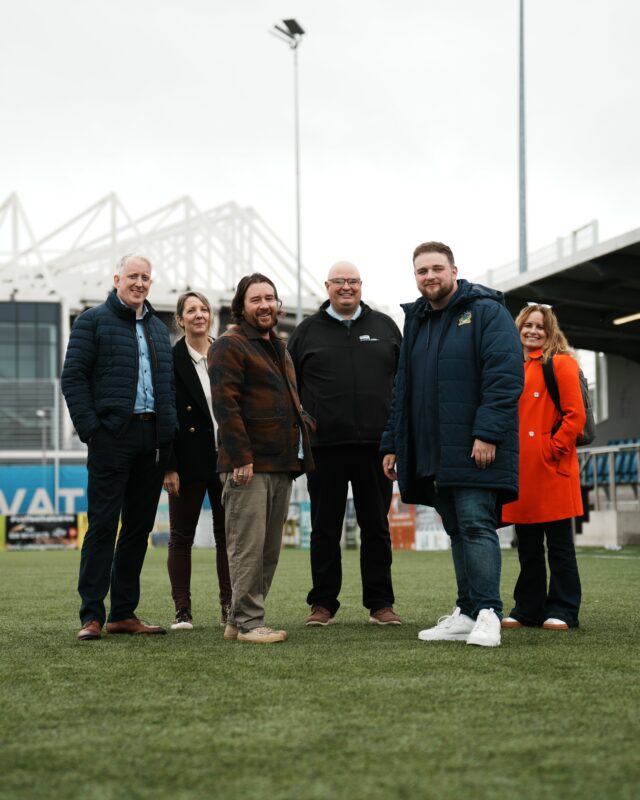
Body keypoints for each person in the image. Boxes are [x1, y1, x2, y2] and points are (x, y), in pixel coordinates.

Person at [380, 241, 523, 647]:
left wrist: (487, 433)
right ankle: (467, 611)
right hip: (432, 449)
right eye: (422, 271)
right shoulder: (417, 320)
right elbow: (402, 388)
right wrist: (392, 443)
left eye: (437, 269)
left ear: (454, 271)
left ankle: (489, 613)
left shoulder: (486, 311)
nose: (430, 276)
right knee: (457, 529)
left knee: (476, 524)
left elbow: (505, 375)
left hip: (474, 444)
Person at [61, 253, 176, 640]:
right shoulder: (92, 321)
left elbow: (167, 389)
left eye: (146, 277)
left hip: (152, 440)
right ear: (117, 279)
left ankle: (123, 613)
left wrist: (168, 437)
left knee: (138, 529)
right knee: (103, 526)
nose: (139, 283)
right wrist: (93, 431)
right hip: (112, 438)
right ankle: (91, 615)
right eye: (133, 276)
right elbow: (73, 378)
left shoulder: (159, 327)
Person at [287, 261, 403, 627]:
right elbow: (290, 390)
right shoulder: (306, 332)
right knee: (324, 529)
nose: (346, 287)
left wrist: (396, 440)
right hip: (324, 448)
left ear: (361, 285)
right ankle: (322, 604)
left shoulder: (385, 327)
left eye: (352, 281)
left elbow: (403, 386)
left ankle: (380, 603)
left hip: (376, 448)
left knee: (376, 528)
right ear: (327, 286)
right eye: (339, 281)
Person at [209, 273, 314, 644]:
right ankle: (250, 623)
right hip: (247, 465)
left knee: (267, 552)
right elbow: (225, 405)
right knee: (247, 549)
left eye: (270, 298)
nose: (265, 305)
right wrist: (241, 457)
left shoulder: (278, 346)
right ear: (241, 306)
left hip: (280, 463)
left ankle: (238, 621)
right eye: (256, 299)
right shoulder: (229, 344)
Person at [501, 304, 585, 630]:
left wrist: (551, 449)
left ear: (551, 332)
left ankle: (564, 609)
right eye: (528, 325)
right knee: (528, 546)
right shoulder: (510, 367)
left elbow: (575, 416)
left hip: (552, 468)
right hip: (521, 469)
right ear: (518, 329)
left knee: (560, 545)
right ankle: (528, 608)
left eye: (541, 327)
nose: (533, 331)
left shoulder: (561, 363)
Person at [163, 291, 232, 631]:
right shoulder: (170, 360)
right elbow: (165, 414)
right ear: (180, 319)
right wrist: (169, 465)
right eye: (191, 310)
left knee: (228, 538)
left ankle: (229, 607)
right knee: (181, 537)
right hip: (188, 461)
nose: (199, 314)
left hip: (227, 458)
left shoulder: (226, 353)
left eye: (204, 309)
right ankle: (182, 611)